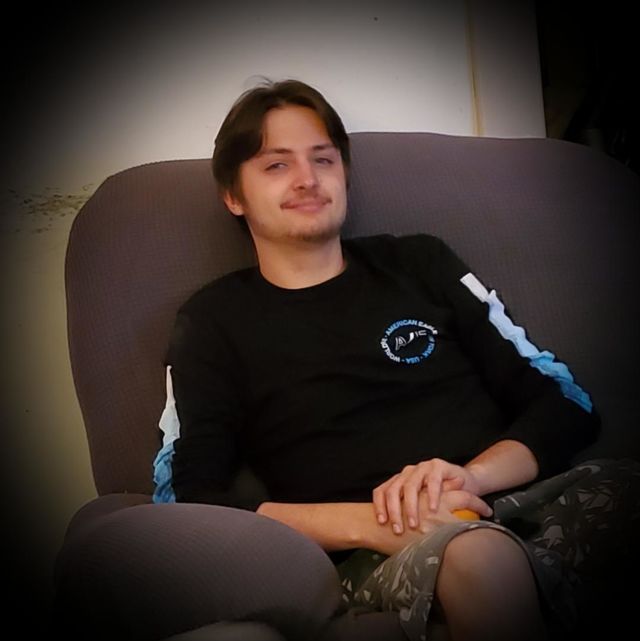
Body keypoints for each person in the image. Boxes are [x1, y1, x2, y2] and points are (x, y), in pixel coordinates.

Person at [152, 79, 639, 641]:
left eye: (323, 159)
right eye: (276, 165)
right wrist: (375, 523)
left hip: (529, 500)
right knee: (480, 556)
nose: (308, 179)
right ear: (233, 196)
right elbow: (189, 499)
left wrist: (470, 477)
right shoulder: (212, 322)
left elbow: (565, 401)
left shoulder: (419, 261)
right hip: (388, 553)